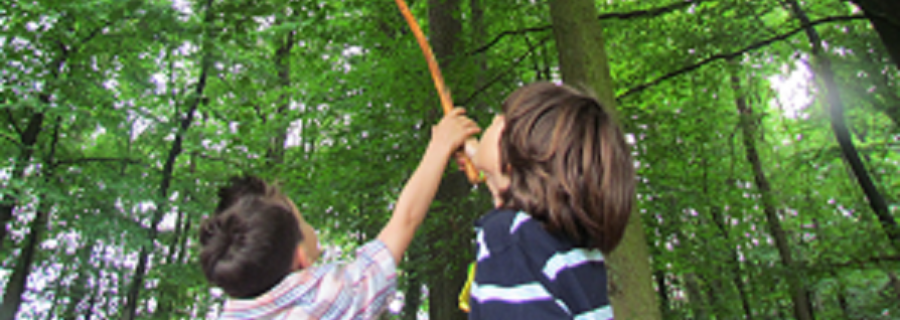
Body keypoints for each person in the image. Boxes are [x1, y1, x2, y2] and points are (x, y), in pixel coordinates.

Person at [198, 108, 480, 319]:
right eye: (301, 218)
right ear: (300, 257)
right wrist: (439, 147)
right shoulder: (327, 301)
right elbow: (404, 222)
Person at [463, 82, 635, 320]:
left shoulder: (509, 241)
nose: (490, 122)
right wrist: (485, 164)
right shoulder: (569, 246)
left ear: (513, 154)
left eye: (498, 119)